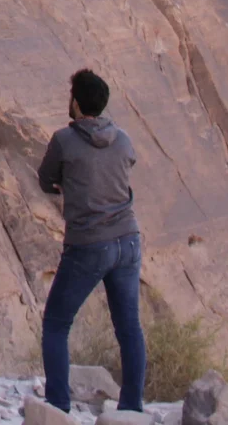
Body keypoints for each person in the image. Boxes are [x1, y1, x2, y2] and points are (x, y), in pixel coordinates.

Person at [38, 68, 145, 414]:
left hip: (89, 244)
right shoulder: (123, 139)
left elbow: (45, 179)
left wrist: (69, 182)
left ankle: (57, 407)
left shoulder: (64, 140)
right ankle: (131, 409)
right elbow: (126, 165)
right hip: (128, 240)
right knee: (129, 328)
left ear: (76, 103)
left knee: (56, 324)